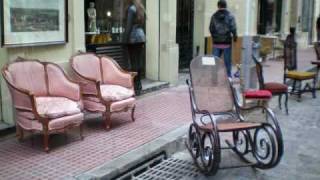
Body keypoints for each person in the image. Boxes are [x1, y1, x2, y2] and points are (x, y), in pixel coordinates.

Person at [209, 0, 237, 78]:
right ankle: (228, 78)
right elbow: (233, 28)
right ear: (226, 6)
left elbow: (211, 28)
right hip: (227, 43)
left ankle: (214, 78)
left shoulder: (214, 16)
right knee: (227, 62)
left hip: (216, 43)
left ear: (218, 6)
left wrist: (215, 37)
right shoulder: (230, 16)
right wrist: (235, 37)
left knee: (214, 62)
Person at [124, 0, 146, 95]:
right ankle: (139, 86)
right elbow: (143, 25)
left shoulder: (131, 9)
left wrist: (124, 40)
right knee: (138, 62)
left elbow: (128, 27)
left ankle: (135, 87)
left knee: (133, 63)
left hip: (133, 38)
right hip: (141, 37)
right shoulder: (141, 8)